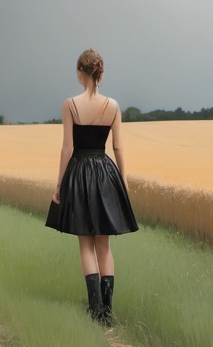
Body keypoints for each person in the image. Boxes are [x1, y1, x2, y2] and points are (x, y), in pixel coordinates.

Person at [47, 47, 138, 323]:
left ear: (80, 73)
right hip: (105, 173)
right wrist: (122, 181)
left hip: (79, 173)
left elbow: (66, 148)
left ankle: (94, 309)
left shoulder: (69, 104)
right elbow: (118, 147)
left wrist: (59, 184)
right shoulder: (113, 106)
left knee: (86, 244)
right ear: (99, 72)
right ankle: (107, 312)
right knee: (104, 246)